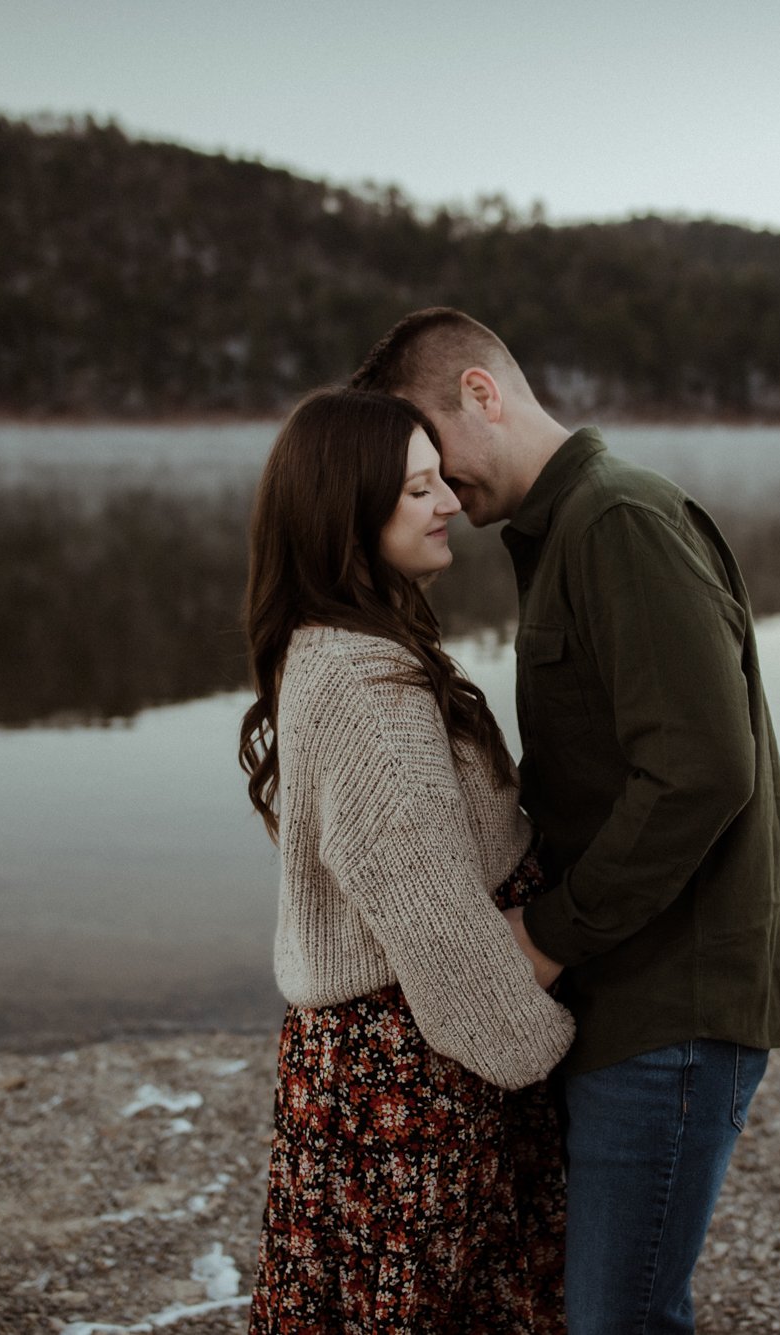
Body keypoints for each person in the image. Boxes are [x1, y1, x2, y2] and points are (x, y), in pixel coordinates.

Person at [353, 309, 780, 1334]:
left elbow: (701, 772)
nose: (433, 485)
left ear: (482, 393)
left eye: (431, 451)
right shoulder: (561, 534)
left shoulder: (616, 521)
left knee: (619, 1322)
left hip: (669, 1003)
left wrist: (546, 937)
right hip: (629, 997)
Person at [237, 386, 572, 1333]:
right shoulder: (362, 678)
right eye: (417, 489)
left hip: (408, 1054)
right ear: (349, 512)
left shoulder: (363, 639)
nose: (450, 502)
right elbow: (424, 904)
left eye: (441, 479)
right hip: (413, 1071)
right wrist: (541, 1045)